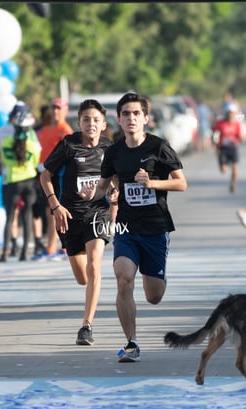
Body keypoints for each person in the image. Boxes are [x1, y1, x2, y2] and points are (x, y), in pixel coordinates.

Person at [79, 92, 187, 362]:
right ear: (119, 119)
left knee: (153, 296)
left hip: (156, 227)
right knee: (123, 279)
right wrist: (92, 194)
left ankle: (157, 277)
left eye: (136, 113)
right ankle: (131, 342)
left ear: (146, 118)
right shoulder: (114, 152)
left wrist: (153, 183)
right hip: (126, 227)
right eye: (126, 114)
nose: (131, 118)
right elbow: (104, 186)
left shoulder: (159, 147)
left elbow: (181, 183)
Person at [40, 99, 114, 345]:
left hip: (98, 214)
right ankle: (88, 308)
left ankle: (87, 326)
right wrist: (55, 205)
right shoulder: (69, 145)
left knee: (94, 267)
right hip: (70, 216)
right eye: (86, 119)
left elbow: (117, 181)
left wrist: (115, 195)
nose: (90, 124)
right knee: (82, 278)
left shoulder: (109, 148)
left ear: (103, 124)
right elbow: (45, 175)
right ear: (79, 122)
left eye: (95, 120)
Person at [33, 97, 73, 261]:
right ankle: (55, 246)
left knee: (54, 211)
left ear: (65, 111)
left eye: (59, 108)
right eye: (54, 108)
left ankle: (57, 247)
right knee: (48, 211)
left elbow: (67, 156)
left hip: (58, 175)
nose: (55, 111)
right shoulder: (46, 129)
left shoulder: (66, 131)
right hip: (44, 174)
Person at [0, 111, 41, 262]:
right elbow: (36, 162)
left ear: (15, 127)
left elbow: (3, 161)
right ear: (28, 129)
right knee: (27, 215)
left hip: (12, 181)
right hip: (29, 181)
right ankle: (24, 253)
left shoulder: (5, 142)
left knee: (9, 218)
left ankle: (4, 253)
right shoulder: (33, 145)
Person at [212, 102, 244, 193]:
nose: (230, 115)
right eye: (229, 113)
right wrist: (216, 145)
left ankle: (233, 184)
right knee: (223, 170)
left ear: (234, 114)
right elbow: (213, 131)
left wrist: (241, 138)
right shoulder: (220, 123)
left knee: (235, 168)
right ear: (226, 113)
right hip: (223, 148)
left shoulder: (237, 124)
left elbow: (239, 136)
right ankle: (226, 163)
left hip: (233, 148)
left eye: (232, 113)